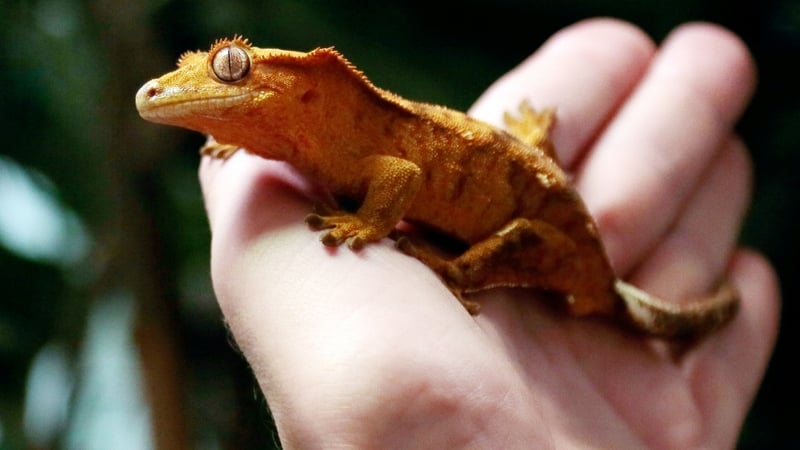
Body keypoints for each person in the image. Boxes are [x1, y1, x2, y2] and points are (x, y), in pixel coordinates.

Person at [198, 18, 779, 448]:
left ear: (305, 87)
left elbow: (399, 174)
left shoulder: (349, 139)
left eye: (227, 68)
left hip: (546, 233)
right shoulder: (319, 143)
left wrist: (381, 231)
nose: (168, 86)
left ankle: (461, 270)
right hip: (530, 201)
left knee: (521, 235)